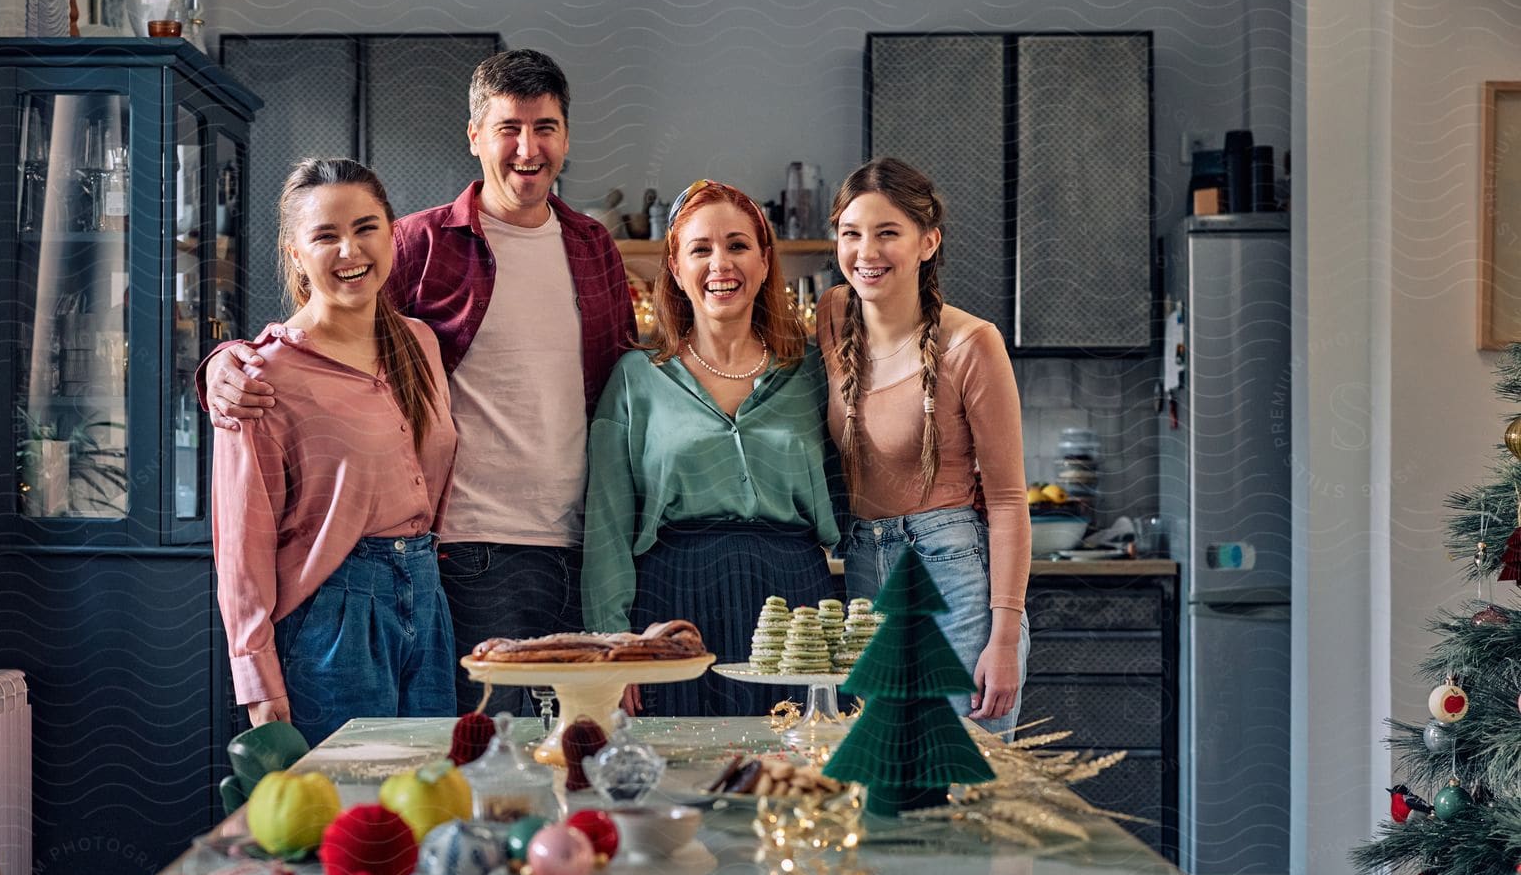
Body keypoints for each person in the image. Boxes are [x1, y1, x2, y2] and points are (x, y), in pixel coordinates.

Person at [203, 50, 635, 715]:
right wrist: (223, 363)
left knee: (577, 755)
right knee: (483, 767)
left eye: (545, 127)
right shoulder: (419, 243)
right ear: (474, 136)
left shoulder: (592, 245)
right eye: (508, 127)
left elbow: (621, 384)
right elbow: (326, 321)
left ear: (567, 136)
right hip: (472, 554)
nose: (528, 147)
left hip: (582, 551)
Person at [211, 158, 458, 745]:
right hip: (332, 618)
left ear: (391, 233)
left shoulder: (420, 343)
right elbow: (242, 546)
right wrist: (259, 683)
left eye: (366, 227)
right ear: (295, 252)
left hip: (426, 598)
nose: (351, 250)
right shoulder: (260, 375)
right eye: (325, 236)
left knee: (430, 804)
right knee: (344, 819)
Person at [582, 179, 839, 717]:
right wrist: (613, 644)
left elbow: (857, 494)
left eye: (738, 245)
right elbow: (606, 527)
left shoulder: (814, 373)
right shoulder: (636, 379)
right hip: (674, 600)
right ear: (676, 268)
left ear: (765, 261)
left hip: (797, 605)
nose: (721, 263)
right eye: (701, 249)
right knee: (681, 780)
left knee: (798, 777)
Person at [818, 156, 1030, 737]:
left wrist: (1004, 639)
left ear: (928, 242)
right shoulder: (832, 317)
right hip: (865, 569)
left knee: (959, 782)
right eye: (852, 233)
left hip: (952, 573)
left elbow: (1010, 500)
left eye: (889, 233)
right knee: (879, 773)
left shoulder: (971, 344)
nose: (867, 252)